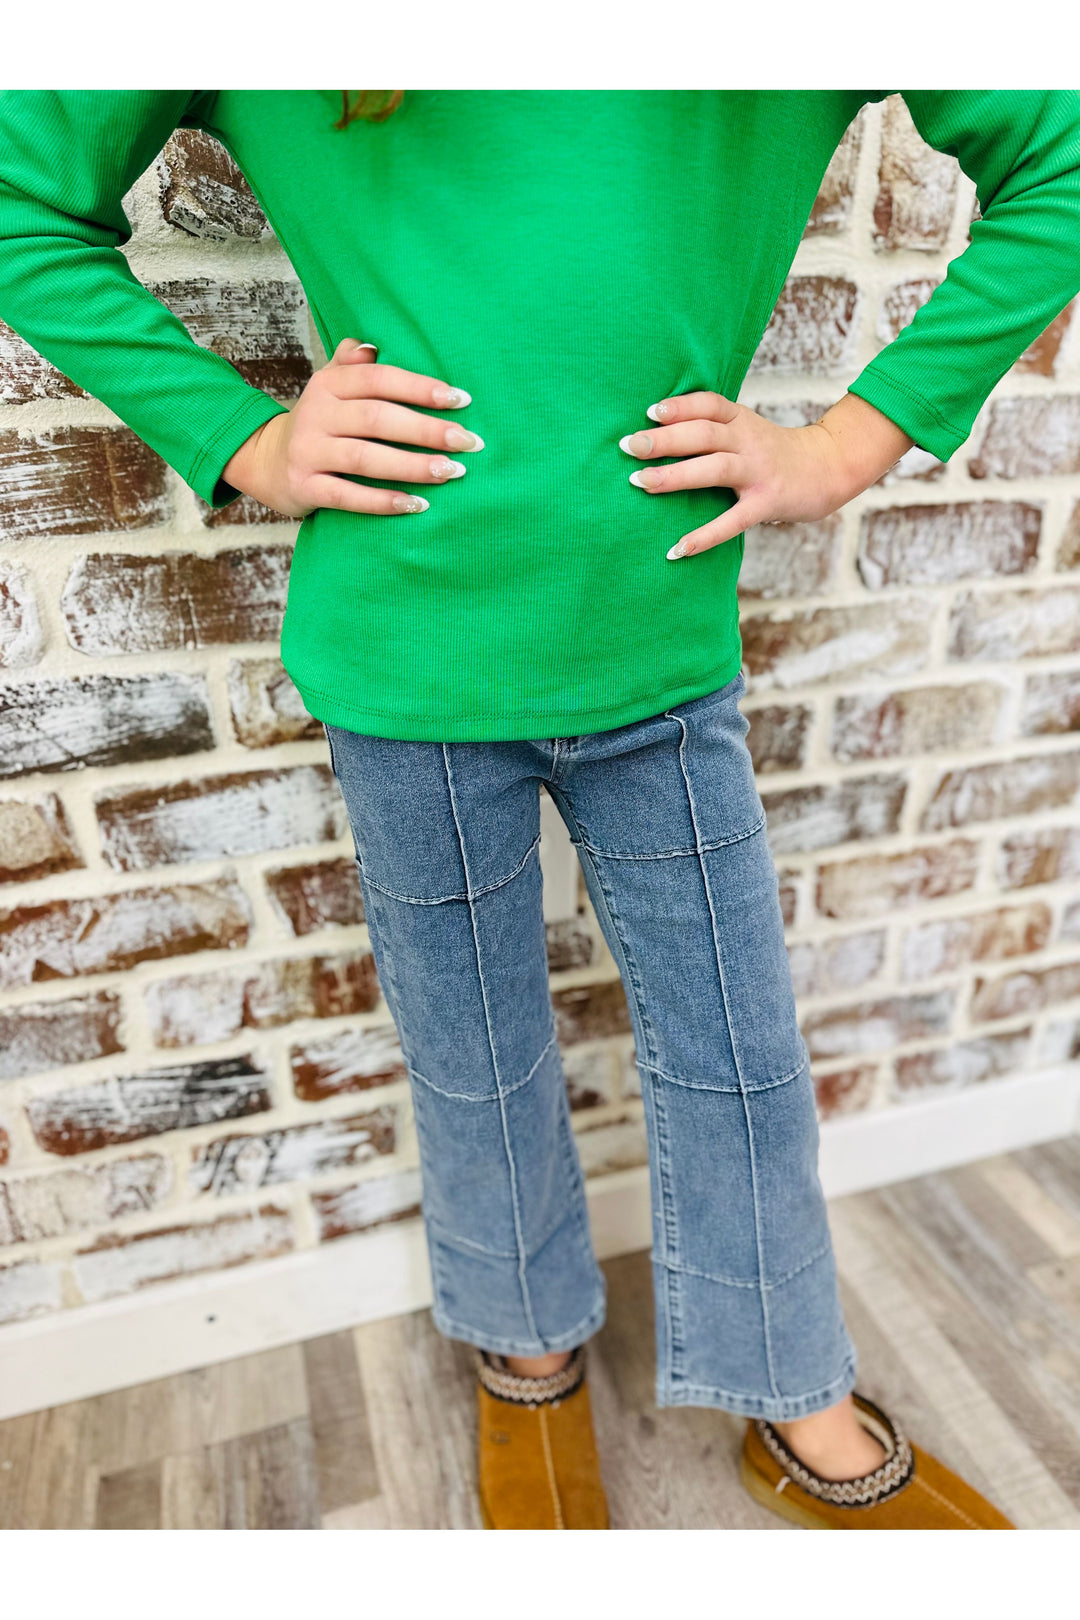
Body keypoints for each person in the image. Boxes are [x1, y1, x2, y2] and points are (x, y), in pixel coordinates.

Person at [1, 88, 1077, 1531]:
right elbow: (26, 205)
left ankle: (791, 1380)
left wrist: (847, 444)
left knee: (739, 1058)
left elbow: (1057, 157)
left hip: (658, 641)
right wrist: (240, 436)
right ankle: (525, 1342)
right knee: (474, 1053)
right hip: (408, 652)